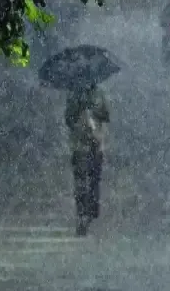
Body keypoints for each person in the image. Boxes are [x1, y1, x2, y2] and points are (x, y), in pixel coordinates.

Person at [65, 83, 110, 236]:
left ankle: (90, 213)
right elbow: (69, 119)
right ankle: (82, 215)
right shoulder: (73, 95)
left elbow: (105, 116)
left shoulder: (99, 93)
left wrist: (94, 111)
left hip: (96, 145)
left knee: (93, 181)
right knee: (81, 182)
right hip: (80, 146)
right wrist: (79, 109)